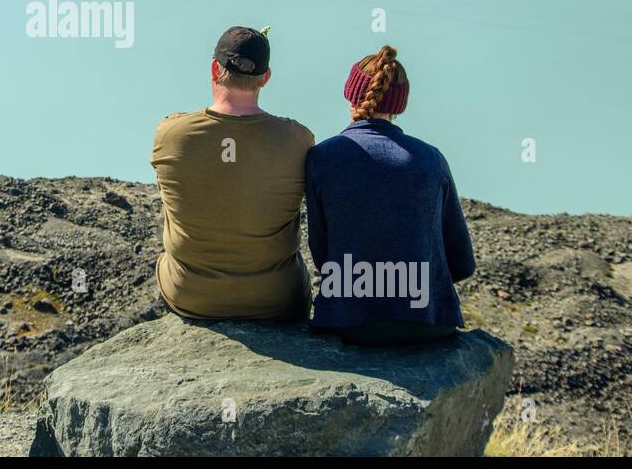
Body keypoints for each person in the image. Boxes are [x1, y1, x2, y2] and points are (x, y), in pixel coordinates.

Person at [304, 45, 475, 346]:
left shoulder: (322, 158)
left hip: (349, 322)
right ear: (400, 104)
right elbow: (462, 263)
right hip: (428, 324)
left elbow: (321, 252)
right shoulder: (431, 159)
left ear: (351, 94)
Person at [152, 26, 316, 320]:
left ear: (215, 69)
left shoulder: (171, 134)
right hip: (277, 299)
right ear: (266, 78)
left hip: (190, 296)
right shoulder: (298, 139)